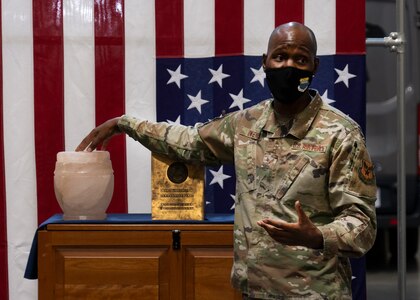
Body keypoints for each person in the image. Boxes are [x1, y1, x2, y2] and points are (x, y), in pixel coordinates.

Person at [76, 22, 377, 299]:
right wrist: (125, 123)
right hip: (253, 291)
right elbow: (189, 141)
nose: (289, 66)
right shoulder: (246, 124)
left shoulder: (341, 134)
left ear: (315, 67)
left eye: (300, 59)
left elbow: (362, 226)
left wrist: (317, 236)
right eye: (280, 56)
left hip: (315, 293)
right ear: (264, 62)